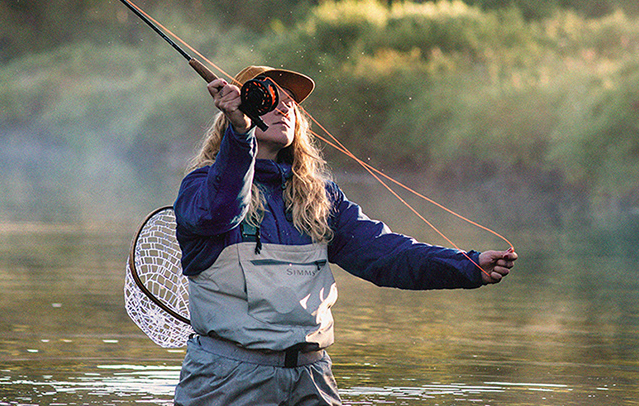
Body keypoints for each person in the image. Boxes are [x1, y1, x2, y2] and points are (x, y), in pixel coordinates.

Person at [172, 65, 517, 406]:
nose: (285, 107)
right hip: (226, 379)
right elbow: (222, 210)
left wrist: (469, 265)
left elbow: (386, 255)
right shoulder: (200, 187)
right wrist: (241, 134)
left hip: (312, 378)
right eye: (270, 98)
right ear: (237, 108)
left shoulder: (321, 198)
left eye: (291, 102)